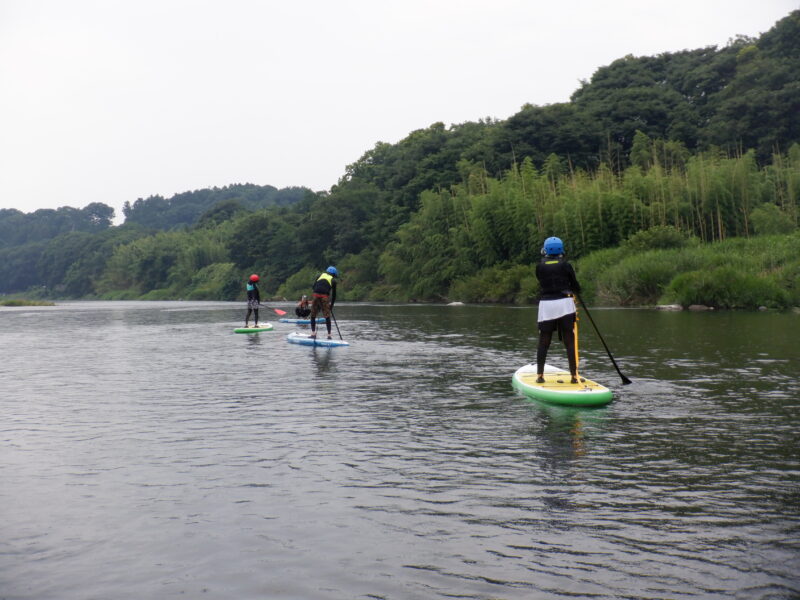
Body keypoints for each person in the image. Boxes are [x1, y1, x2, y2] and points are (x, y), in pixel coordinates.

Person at [535, 237, 581, 384]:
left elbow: (541, 281)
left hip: (547, 305)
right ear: (561, 250)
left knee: (544, 340)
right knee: (569, 339)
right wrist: (577, 290)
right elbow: (574, 284)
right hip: (565, 304)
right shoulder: (566, 265)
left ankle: (540, 376)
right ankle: (574, 376)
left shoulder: (539, 266)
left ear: (545, 250)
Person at [309, 266, 338, 339]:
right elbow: (334, 295)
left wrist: (318, 302)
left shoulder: (319, 275)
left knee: (313, 315)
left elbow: (313, 287)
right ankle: (329, 335)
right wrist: (331, 306)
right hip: (324, 297)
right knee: (327, 316)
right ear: (333, 274)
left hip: (315, 295)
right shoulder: (333, 281)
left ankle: (313, 334)